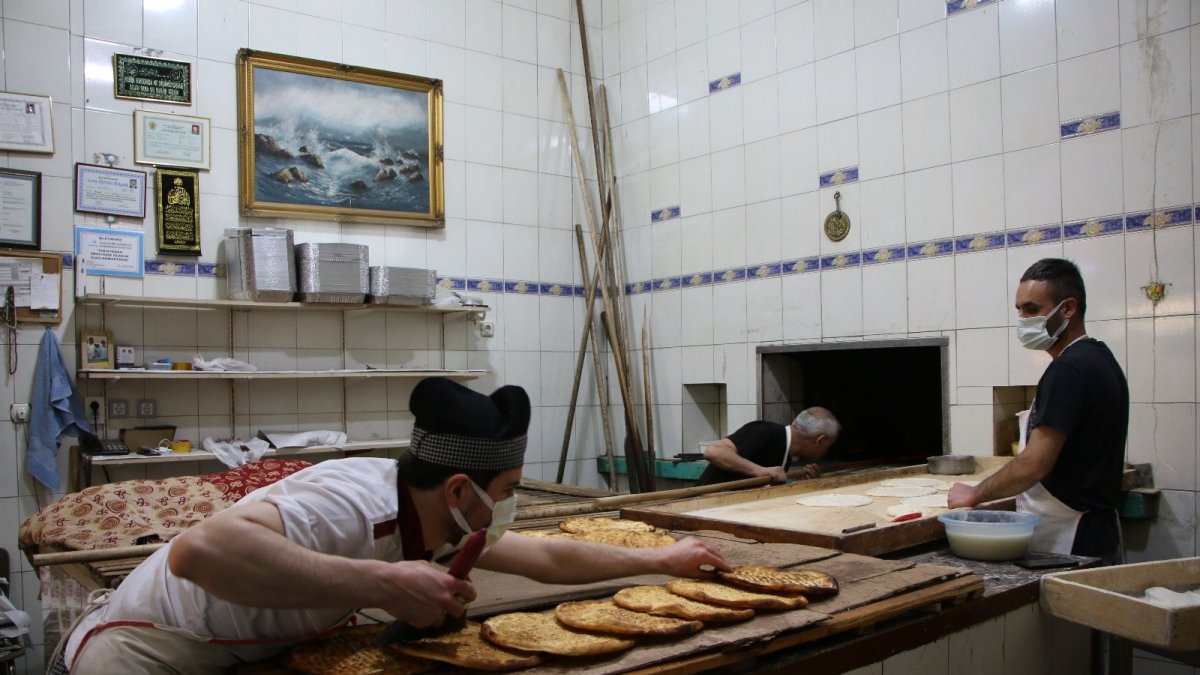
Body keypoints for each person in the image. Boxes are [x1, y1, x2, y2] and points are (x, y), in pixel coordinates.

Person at [60, 378, 731, 673]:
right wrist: (384, 583)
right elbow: (199, 551)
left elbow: (546, 557)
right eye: (507, 492)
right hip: (152, 651)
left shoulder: (441, 517)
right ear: (460, 488)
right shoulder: (354, 501)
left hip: (251, 648)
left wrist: (660, 562)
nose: (510, 507)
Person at [948, 258, 1129, 564]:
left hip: (1072, 536)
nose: (1023, 320)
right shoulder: (1099, 358)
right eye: (1019, 310)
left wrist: (975, 493)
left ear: (1068, 309)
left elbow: (1034, 464)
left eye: (1032, 310)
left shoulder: (1069, 369)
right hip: (1096, 529)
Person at [695, 407, 840, 486]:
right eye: (829, 445)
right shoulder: (764, 431)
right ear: (820, 440)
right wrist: (760, 470)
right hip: (701, 509)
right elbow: (713, 452)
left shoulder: (786, 453)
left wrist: (798, 485)